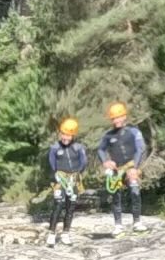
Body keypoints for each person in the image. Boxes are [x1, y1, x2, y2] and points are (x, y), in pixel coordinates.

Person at [97, 103, 148, 237]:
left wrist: (135, 168)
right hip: (116, 168)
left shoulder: (134, 132)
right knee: (116, 195)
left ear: (124, 116)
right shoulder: (108, 135)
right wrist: (106, 161)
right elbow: (101, 150)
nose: (117, 120)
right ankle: (118, 226)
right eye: (114, 118)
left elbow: (140, 149)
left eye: (119, 117)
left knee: (135, 190)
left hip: (131, 165)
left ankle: (137, 222)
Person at [46, 118, 87, 247]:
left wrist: (77, 173)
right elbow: (51, 163)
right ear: (60, 133)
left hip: (73, 178)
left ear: (73, 135)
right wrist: (55, 175)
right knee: (58, 205)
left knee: (70, 206)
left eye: (68, 135)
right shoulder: (54, 147)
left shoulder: (78, 147)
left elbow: (83, 162)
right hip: (60, 178)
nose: (65, 137)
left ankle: (66, 233)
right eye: (63, 134)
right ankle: (51, 234)